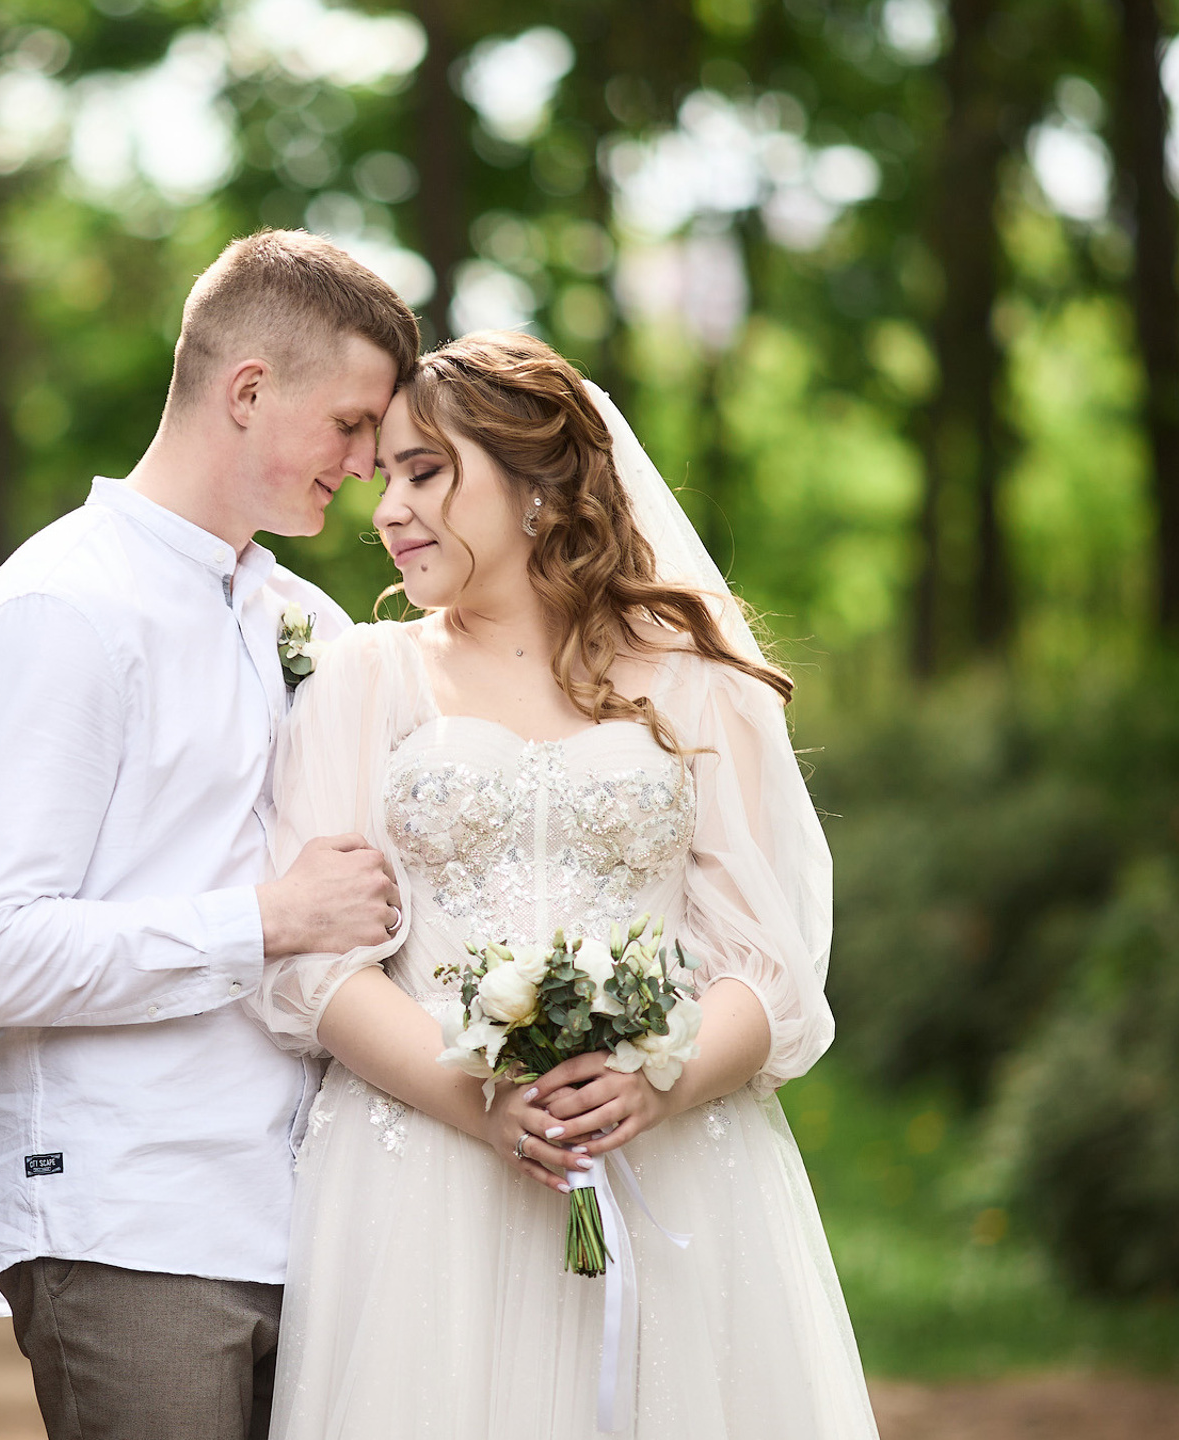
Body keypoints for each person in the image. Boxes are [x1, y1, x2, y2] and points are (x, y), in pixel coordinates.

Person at [253, 332, 881, 1437]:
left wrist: (661, 1082)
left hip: (675, 1169)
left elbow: (769, 967)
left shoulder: (696, 685)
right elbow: (320, 964)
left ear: (537, 485)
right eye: (383, 474)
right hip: (427, 1178)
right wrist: (480, 1107)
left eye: (424, 470)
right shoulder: (361, 679)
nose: (386, 508)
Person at [0, 230, 420, 1440]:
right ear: (248, 391)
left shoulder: (304, 615)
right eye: (351, 427)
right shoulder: (61, 613)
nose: (365, 468)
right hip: (130, 1221)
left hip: (308, 1210)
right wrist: (270, 919)